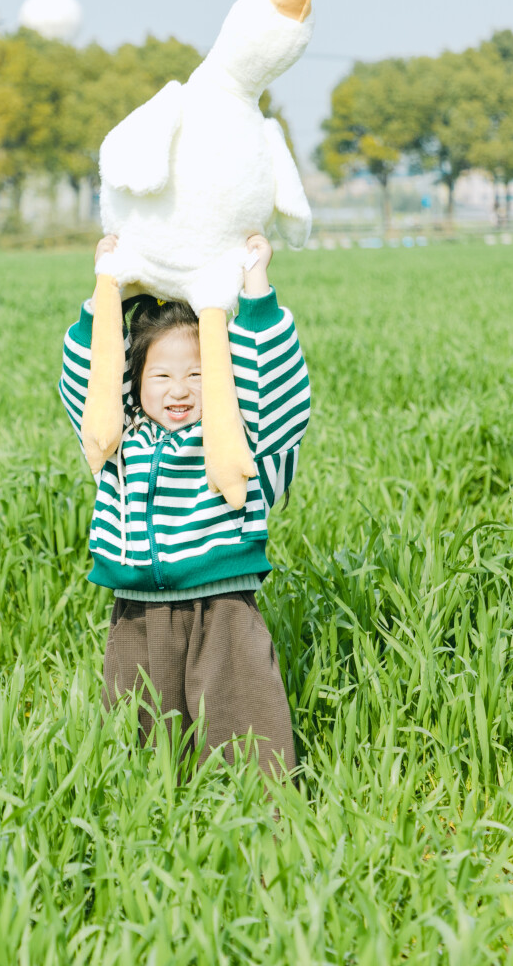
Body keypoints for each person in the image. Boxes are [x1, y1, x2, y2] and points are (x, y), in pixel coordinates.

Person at [59, 233, 310, 779]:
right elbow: (89, 383)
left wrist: (255, 288)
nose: (180, 390)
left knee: (248, 747)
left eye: (198, 374)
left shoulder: (241, 444)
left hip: (223, 612)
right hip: (134, 614)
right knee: (138, 756)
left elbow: (275, 389)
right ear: (136, 381)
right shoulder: (121, 442)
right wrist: (111, 289)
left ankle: (263, 847)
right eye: (162, 376)